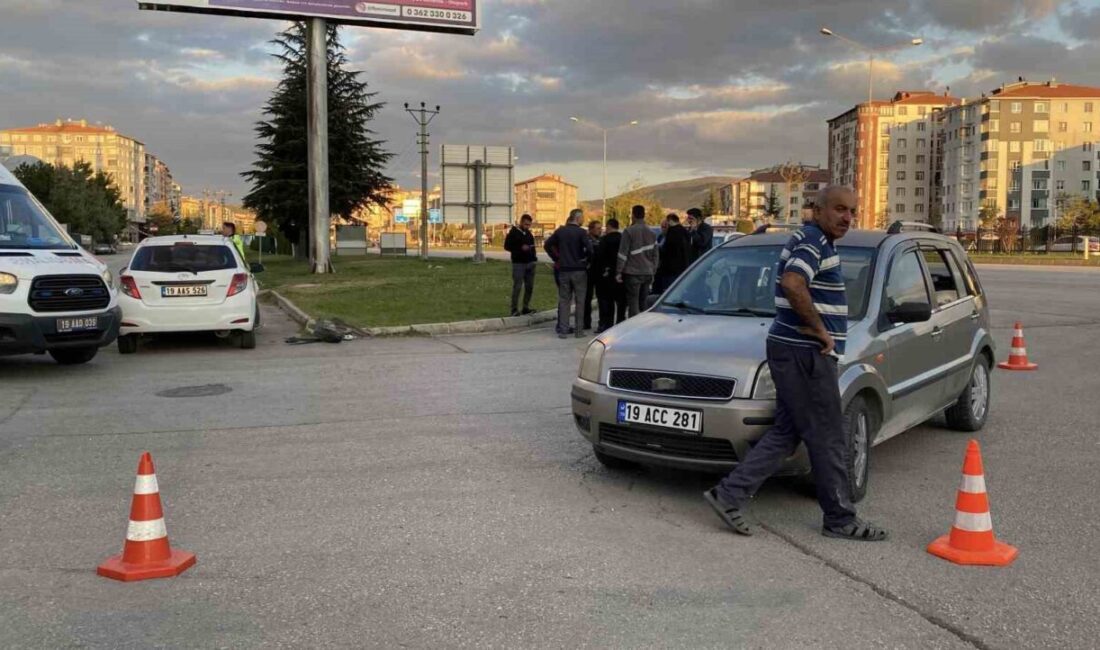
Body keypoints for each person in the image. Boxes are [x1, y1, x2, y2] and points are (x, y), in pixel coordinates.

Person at [703, 185, 888, 542]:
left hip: (793, 350)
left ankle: (728, 495)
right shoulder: (813, 241)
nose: (847, 217)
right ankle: (839, 518)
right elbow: (793, 282)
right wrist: (821, 330)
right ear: (816, 210)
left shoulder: (815, 240)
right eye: (838, 209)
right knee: (829, 435)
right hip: (805, 353)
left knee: (788, 432)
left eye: (851, 210)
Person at [544, 209, 593, 339]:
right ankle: (578, 331)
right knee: (580, 301)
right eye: (582, 218)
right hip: (579, 270)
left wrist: (557, 259)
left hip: (564, 270)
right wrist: (587, 261)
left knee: (564, 300)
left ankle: (563, 330)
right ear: (578, 218)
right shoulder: (582, 232)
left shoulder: (560, 231)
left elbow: (547, 245)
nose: (583, 220)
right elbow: (590, 249)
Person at [616, 205, 658, 317]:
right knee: (643, 302)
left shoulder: (629, 231)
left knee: (633, 303)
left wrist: (618, 272)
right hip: (647, 272)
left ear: (633, 215)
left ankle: (633, 326)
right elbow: (655, 255)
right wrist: (653, 270)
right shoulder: (652, 233)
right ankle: (643, 324)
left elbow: (622, 254)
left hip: (632, 273)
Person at [594, 218, 626, 333]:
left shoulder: (604, 240)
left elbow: (599, 257)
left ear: (608, 227)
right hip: (621, 274)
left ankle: (607, 324)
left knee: (607, 301)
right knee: (621, 301)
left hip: (606, 275)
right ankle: (621, 322)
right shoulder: (623, 239)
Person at [504, 214, 538, 316]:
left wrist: (534, 259)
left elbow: (532, 247)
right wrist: (520, 248)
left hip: (530, 263)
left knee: (529, 286)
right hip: (518, 263)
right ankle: (514, 309)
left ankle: (525, 307)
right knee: (517, 287)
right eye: (526, 224)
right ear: (521, 222)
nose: (527, 226)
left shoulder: (529, 234)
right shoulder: (513, 233)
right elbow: (507, 246)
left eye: (529, 225)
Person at [653, 213, 692, 294]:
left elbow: (667, 251)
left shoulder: (672, 233)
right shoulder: (685, 232)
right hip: (682, 268)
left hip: (670, 270)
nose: (664, 228)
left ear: (670, 221)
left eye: (666, 224)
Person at [583, 220, 603, 330]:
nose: (600, 231)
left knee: (601, 298)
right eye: (598, 228)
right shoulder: (586, 240)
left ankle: (601, 322)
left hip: (598, 273)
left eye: (601, 228)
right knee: (587, 298)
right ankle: (586, 322)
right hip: (588, 272)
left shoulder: (601, 240)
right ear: (591, 229)